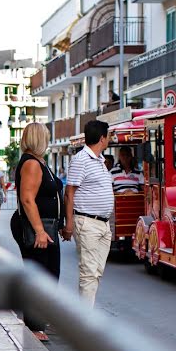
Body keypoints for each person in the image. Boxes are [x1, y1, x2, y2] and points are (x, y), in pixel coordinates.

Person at [9, 122, 63, 342]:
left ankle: (37, 319)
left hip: (47, 226)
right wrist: (40, 231)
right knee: (40, 275)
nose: (49, 140)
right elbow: (28, 199)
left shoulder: (39, 161)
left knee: (48, 275)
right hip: (38, 227)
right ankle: (33, 325)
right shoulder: (31, 164)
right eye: (46, 137)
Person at [63, 120, 114, 304]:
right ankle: (84, 323)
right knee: (89, 273)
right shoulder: (81, 160)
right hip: (87, 222)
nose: (108, 139)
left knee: (95, 272)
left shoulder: (100, 160)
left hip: (103, 224)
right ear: (102, 138)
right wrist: (69, 223)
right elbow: (69, 193)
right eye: (107, 136)